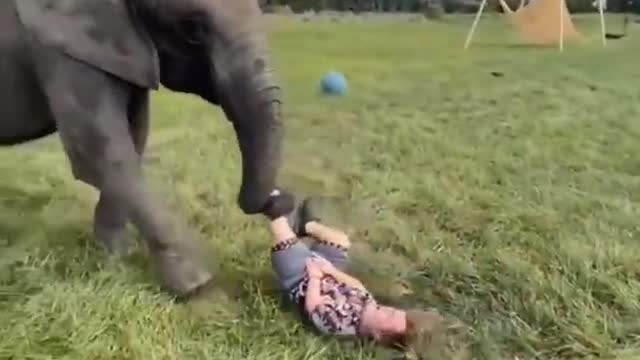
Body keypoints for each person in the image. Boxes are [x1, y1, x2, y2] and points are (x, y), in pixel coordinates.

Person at [268, 196, 447, 355]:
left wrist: (315, 277)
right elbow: (356, 285)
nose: (387, 310)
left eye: (389, 316)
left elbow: (313, 306)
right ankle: (307, 226)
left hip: (302, 280)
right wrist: (330, 271)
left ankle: (270, 204)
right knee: (341, 240)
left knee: (283, 235)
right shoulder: (370, 307)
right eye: (393, 311)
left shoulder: (341, 325)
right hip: (328, 270)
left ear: (381, 335)